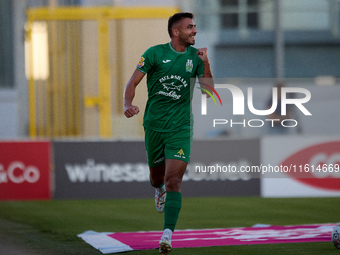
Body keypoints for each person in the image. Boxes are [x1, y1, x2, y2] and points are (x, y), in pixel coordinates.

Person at [123, 12, 213, 254]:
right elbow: (132, 82)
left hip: (180, 128)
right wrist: (126, 104)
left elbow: (208, 93)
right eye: (190, 27)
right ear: (176, 32)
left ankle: (167, 235)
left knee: (174, 180)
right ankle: (158, 190)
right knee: (157, 179)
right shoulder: (154, 53)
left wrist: (205, 63)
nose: (194, 30)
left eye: (195, 26)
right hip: (154, 126)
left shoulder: (196, 57)